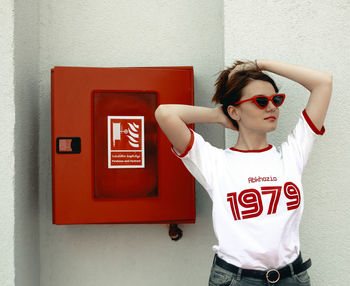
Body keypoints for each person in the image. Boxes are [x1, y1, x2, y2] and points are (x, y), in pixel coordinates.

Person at [155, 59, 332, 286]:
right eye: (260, 101)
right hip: (236, 280)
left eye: (276, 100)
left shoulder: (292, 154)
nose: (272, 107)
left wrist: (261, 64)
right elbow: (165, 113)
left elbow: (323, 83)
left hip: (292, 277)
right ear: (234, 111)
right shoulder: (214, 162)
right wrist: (219, 116)